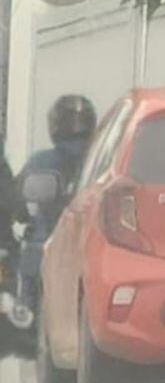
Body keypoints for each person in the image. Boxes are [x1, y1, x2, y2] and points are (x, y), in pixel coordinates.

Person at [17, 95, 98, 316]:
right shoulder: (102, 158)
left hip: (51, 238)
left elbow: (16, 199)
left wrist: (19, 215)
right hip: (92, 241)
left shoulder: (41, 161)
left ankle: (27, 314)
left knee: (31, 263)